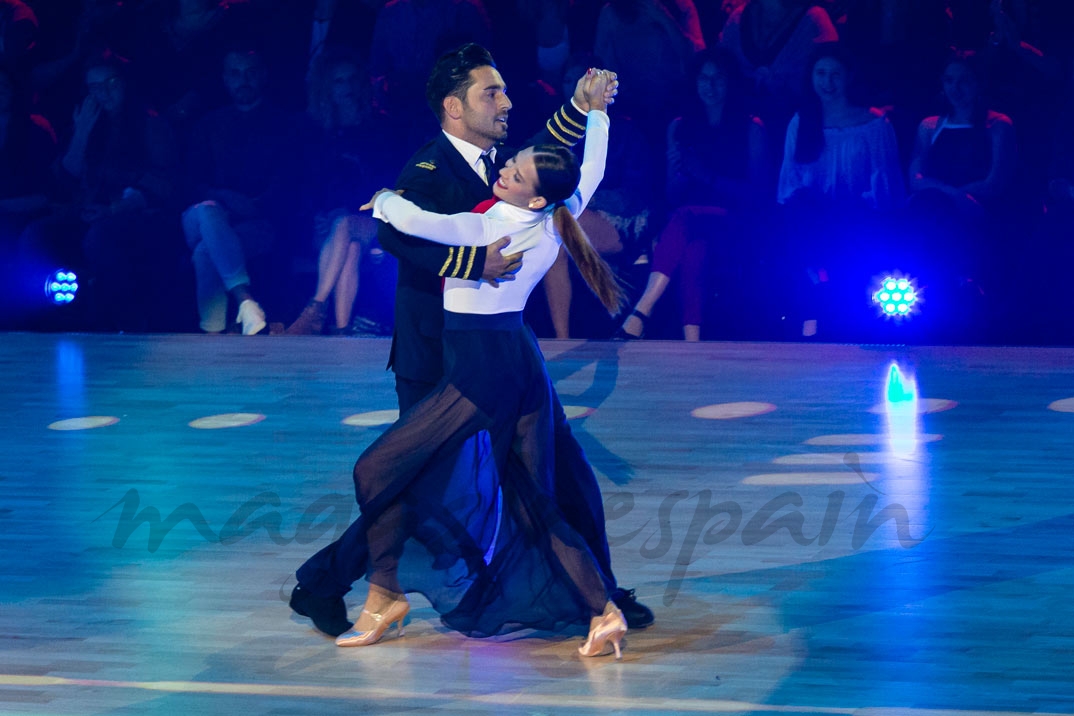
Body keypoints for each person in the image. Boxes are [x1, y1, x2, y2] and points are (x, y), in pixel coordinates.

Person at [289, 44, 652, 640]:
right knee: (414, 483)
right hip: (436, 351)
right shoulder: (429, 169)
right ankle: (333, 584)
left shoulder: (500, 163)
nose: (507, 102)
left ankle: (598, 595)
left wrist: (583, 108)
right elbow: (397, 234)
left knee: (562, 474)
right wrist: (473, 262)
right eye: (493, 93)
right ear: (454, 107)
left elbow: (548, 163)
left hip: (502, 347)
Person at [616, 48, 771, 341]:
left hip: (736, 223)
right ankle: (692, 342)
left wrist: (706, 176)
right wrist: (678, 174)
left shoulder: (751, 128)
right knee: (693, 246)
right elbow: (672, 195)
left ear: (730, 83)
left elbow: (759, 197)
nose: (710, 86)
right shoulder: (679, 126)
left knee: (687, 219)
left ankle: (641, 312)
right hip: (688, 222)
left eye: (718, 79)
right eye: (704, 78)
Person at [182, 48, 302, 335]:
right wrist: (224, 198)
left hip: (256, 222)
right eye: (235, 73)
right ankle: (245, 300)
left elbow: (288, 183)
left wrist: (255, 205)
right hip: (202, 216)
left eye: (249, 72)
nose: (243, 80)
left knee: (205, 251)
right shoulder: (208, 125)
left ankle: (212, 333)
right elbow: (190, 182)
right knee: (208, 212)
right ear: (225, 79)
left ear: (262, 76)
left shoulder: (283, 125)